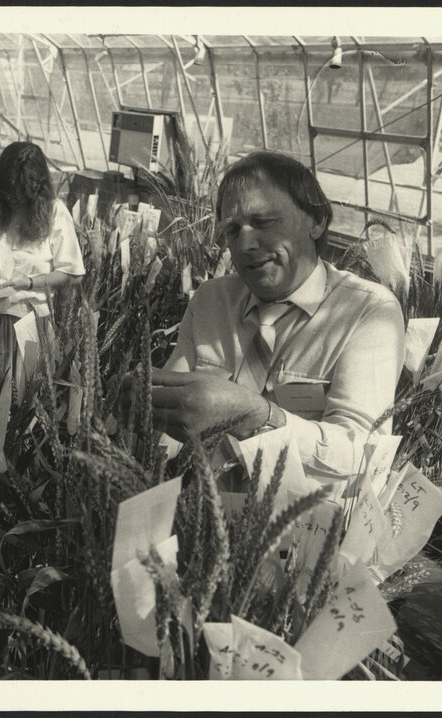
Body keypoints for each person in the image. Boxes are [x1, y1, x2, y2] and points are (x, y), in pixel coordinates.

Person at [150, 151, 406, 482]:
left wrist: (256, 417)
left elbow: (362, 454)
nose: (245, 243)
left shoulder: (367, 313)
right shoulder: (211, 300)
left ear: (316, 221)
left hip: (307, 526)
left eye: (263, 222)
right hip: (204, 513)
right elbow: (169, 416)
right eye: (232, 229)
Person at [0, 141, 85, 394]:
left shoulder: (54, 213)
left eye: (21, 195)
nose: (13, 200)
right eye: (7, 193)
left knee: (23, 400)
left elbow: (72, 274)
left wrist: (31, 282)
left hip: (30, 323)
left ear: (37, 190)